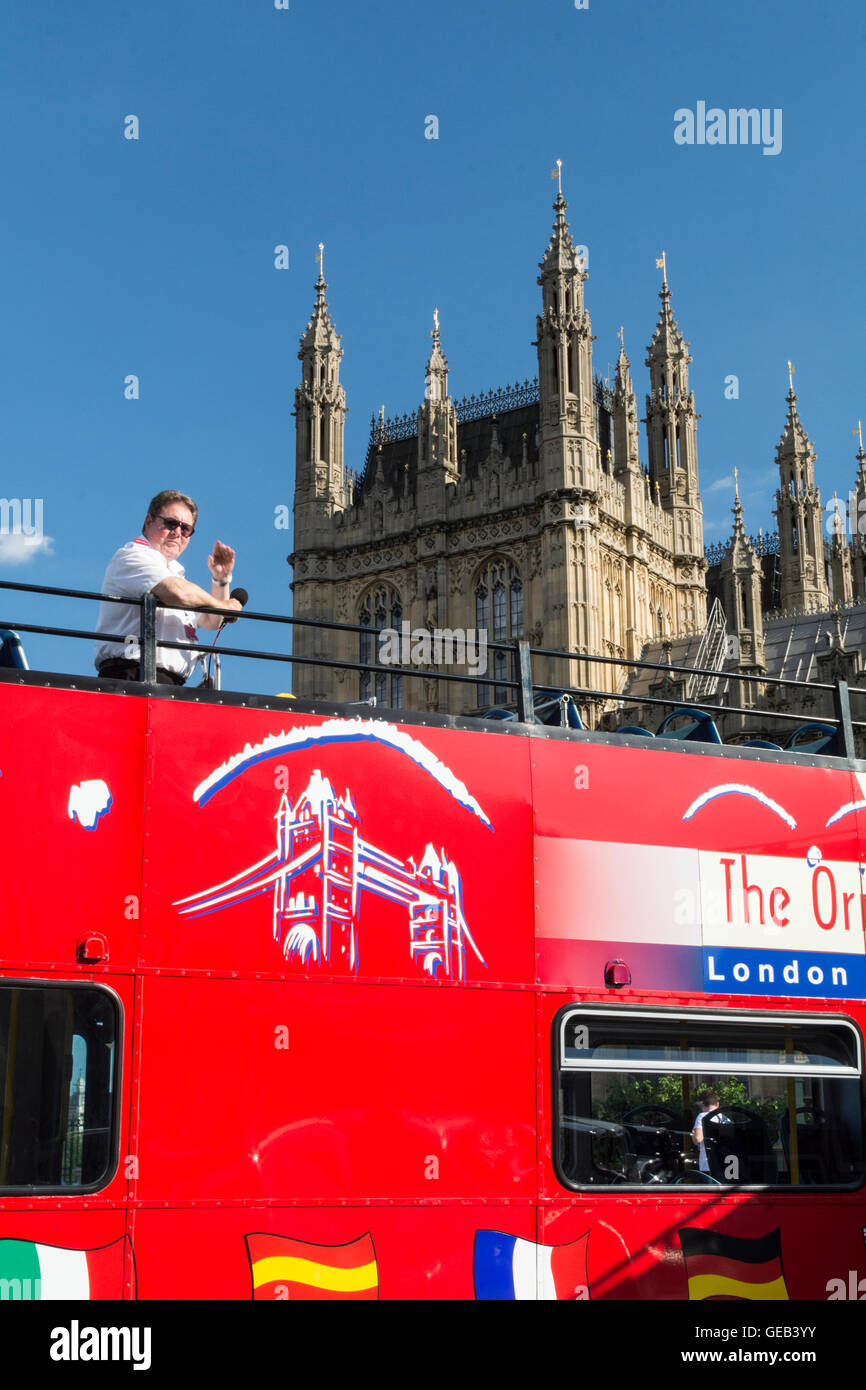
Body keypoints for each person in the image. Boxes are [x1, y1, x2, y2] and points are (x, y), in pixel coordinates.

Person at [94, 490, 242, 686]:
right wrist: (224, 605)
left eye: (186, 529)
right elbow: (177, 593)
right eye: (171, 523)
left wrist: (220, 580)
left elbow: (211, 620)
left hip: (171, 685)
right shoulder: (132, 554)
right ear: (149, 521)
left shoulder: (176, 572)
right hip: (130, 676)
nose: (178, 532)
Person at [691, 1089, 730, 1174]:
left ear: (702, 1105)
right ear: (717, 1104)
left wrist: (693, 1135)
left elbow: (698, 1138)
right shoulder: (726, 1119)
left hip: (708, 1164)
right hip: (725, 1163)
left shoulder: (702, 1116)